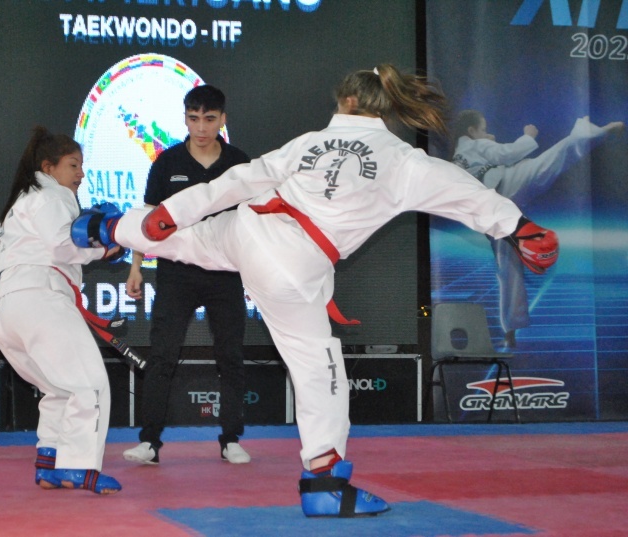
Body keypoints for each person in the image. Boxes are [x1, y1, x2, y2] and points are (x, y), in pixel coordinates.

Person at [74, 64, 559, 518]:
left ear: (346, 100)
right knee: (316, 364)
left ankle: (106, 226)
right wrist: (520, 226)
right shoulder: (401, 159)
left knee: (186, 240)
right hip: (291, 263)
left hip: (248, 228)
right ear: (383, 105)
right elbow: (461, 190)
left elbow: (242, 178)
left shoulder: (310, 142)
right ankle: (324, 482)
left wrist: (169, 214)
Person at [0, 126, 123, 495]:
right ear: (48, 167)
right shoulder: (52, 195)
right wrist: (106, 248)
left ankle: (49, 463)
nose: (81, 174)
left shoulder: (24, 199)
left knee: (58, 388)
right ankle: (79, 468)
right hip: (39, 297)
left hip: (6, 309)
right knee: (90, 385)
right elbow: (64, 245)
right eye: (73, 165)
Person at [122, 85, 252, 466]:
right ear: (185, 118)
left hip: (225, 273)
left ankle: (231, 439)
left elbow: (256, 222)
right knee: (162, 355)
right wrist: (135, 266)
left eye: (209, 119)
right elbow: (146, 219)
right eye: (194, 118)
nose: (201, 127)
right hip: (176, 274)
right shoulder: (167, 162)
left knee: (230, 356)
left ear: (223, 120)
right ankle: (149, 443)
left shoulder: (239, 163)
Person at [452, 110, 624, 347]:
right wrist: (527, 135)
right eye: (483, 129)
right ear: (471, 131)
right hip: (505, 188)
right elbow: (507, 153)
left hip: (492, 212)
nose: (487, 133)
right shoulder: (475, 145)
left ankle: (510, 330)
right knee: (553, 158)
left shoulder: (459, 157)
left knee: (507, 267)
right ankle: (590, 132)